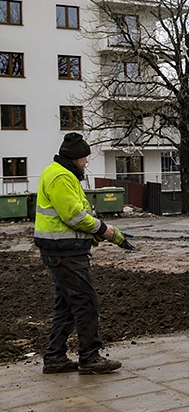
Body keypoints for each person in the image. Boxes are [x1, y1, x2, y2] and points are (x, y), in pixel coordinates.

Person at [34, 132, 134, 374]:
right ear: (75, 157)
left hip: (61, 250)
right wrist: (105, 230)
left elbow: (71, 216)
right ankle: (90, 358)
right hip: (64, 253)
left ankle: (55, 357)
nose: (87, 162)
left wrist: (96, 233)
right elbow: (74, 216)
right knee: (86, 303)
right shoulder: (60, 177)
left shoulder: (60, 173)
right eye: (85, 158)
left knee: (67, 306)